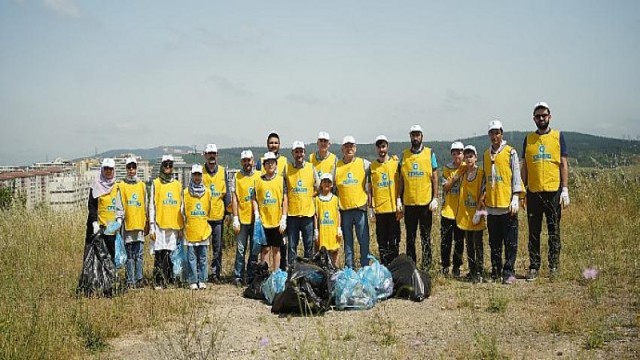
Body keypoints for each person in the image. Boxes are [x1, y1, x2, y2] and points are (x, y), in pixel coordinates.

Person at [521, 102, 569, 281]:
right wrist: (521, 191)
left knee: (553, 230)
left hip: (553, 190)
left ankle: (554, 266)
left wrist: (565, 189)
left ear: (549, 117)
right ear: (534, 119)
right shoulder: (529, 139)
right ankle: (534, 266)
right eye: (538, 116)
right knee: (534, 231)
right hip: (533, 191)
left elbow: (563, 163)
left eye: (544, 115)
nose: (541, 118)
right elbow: (525, 166)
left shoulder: (558, 136)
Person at [482, 120, 523, 284]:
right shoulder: (486, 154)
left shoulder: (510, 152)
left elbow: (516, 175)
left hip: (507, 206)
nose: (494, 136)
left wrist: (516, 197)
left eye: (497, 133)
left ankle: (508, 272)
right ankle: (496, 270)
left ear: (502, 134)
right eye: (491, 133)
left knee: (510, 242)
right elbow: (485, 179)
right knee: (494, 242)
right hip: (492, 207)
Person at [397, 125, 439, 270]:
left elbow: (434, 176)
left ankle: (427, 266)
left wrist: (435, 197)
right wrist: (398, 198)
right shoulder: (404, 155)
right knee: (410, 237)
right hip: (409, 204)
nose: (415, 138)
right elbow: (401, 179)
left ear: (422, 136)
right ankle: (411, 265)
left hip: (425, 204)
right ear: (410, 137)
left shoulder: (429, 153)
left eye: (418, 135)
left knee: (426, 237)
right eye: (413, 135)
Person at [148, 155, 184, 289]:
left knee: (171, 254)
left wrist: (181, 226)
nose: (168, 167)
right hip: (159, 224)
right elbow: (152, 204)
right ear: (162, 166)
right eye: (165, 165)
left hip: (174, 225)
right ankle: (158, 280)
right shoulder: (156, 183)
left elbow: (181, 206)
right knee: (159, 253)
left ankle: (171, 278)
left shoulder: (178, 185)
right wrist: (151, 225)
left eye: (170, 165)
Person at [335, 136, 371, 268]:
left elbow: (379, 168)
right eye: (346, 147)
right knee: (348, 243)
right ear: (342, 149)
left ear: (355, 148)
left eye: (351, 146)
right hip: (344, 211)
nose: (349, 149)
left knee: (364, 241)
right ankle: (349, 269)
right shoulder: (337, 166)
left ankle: (365, 268)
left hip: (360, 208)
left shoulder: (364, 164)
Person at [453, 145, 486, 283]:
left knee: (478, 244)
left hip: (477, 213)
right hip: (466, 215)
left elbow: (484, 193)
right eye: (466, 156)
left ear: (476, 157)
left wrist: (479, 212)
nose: (468, 159)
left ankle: (479, 271)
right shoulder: (464, 173)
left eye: (471, 156)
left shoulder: (481, 173)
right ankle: (472, 270)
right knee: (469, 245)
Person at [367, 135, 401, 266]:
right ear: (376, 148)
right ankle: (384, 267)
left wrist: (399, 200)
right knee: (382, 241)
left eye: (384, 146)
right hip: (380, 211)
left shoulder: (395, 163)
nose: (382, 149)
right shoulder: (372, 167)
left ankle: (395, 266)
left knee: (394, 240)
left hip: (393, 209)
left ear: (387, 147)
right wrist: (370, 208)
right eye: (379, 147)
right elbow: (370, 189)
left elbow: (401, 183)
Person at [256, 131, 288, 269]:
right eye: (267, 163)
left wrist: (284, 217)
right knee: (265, 249)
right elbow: (255, 198)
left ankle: (276, 275)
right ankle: (264, 274)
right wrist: (257, 215)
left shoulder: (281, 179)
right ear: (263, 165)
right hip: (264, 221)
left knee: (277, 249)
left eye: (272, 163)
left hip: (276, 221)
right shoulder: (259, 180)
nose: (270, 165)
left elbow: (284, 198)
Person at [285, 141, 320, 265]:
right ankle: (292, 272)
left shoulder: (311, 167)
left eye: (301, 151)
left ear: (304, 153)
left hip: (307, 214)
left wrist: (310, 196)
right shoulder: (287, 169)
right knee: (292, 247)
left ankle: (308, 273)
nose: (299, 154)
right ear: (292, 153)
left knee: (308, 247)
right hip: (292, 214)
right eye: (296, 152)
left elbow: (318, 186)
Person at [231, 150, 261, 286]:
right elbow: (235, 198)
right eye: (244, 160)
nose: (247, 163)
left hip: (255, 220)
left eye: (249, 160)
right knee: (241, 249)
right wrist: (235, 217)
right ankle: (238, 276)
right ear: (241, 162)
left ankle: (251, 276)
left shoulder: (259, 176)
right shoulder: (237, 177)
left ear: (253, 160)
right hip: (242, 219)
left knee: (255, 250)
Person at [201, 143, 230, 283]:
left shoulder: (222, 171)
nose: (211, 156)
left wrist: (229, 213)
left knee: (217, 248)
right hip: (203, 217)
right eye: (209, 153)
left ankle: (215, 274)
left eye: (214, 153)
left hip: (218, 216)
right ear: (205, 155)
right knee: (203, 247)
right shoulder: (200, 171)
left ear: (217, 155)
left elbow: (227, 194)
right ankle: (203, 273)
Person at [117, 157, 147, 289]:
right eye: (129, 167)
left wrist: (147, 222)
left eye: (133, 167)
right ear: (126, 169)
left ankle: (139, 279)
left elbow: (145, 204)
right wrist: (119, 222)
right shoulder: (121, 185)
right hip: (128, 226)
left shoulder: (142, 185)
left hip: (139, 225)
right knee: (129, 255)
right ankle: (130, 280)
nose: (131, 170)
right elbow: (120, 206)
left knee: (139, 255)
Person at [86, 158, 123, 264]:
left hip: (112, 227)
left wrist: (119, 219)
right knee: (99, 254)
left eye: (110, 169)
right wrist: (94, 222)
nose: (108, 171)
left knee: (112, 253)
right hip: (99, 226)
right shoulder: (96, 186)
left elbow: (120, 205)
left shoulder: (116, 186)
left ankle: (112, 277)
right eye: (106, 168)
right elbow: (92, 205)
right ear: (102, 170)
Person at [182, 164, 212, 290]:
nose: (197, 177)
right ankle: (193, 280)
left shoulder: (208, 192)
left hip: (203, 229)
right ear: (191, 175)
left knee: (203, 257)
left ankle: (202, 279)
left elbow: (209, 210)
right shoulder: (185, 192)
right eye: (195, 175)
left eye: (199, 175)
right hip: (190, 229)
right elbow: (183, 211)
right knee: (191, 258)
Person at [440, 141, 466, 278]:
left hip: (461, 211)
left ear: (463, 154)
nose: (457, 156)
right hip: (448, 210)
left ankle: (457, 266)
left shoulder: (467, 168)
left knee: (459, 241)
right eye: (454, 153)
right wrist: (456, 176)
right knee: (445, 241)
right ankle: (444, 266)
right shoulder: (447, 168)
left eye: (459, 153)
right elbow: (445, 187)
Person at [314, 173, 342, 265]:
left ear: (332, 184)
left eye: (329, 182)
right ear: (321, 184)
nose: (326, 184)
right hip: (323, 231)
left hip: (333, 231)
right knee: (323, 253)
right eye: (324, 182)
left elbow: (338, 213)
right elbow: (316, 215)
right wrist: (316, 230)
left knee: (335, 251)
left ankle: (336, 272)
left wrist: (339, 228)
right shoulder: (317, 199)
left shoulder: (335, 199)